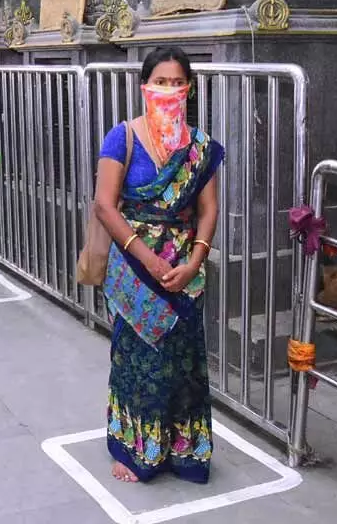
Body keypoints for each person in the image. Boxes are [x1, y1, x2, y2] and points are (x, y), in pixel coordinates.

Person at [93, 47, 224, 484]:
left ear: (189, 88)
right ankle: (133, 449)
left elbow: (208, 210)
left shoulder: (198, 147)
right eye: (161, 82)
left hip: (185, 271)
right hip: (135, 270)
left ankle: (183, 450)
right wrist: (147, 258)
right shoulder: (123, 137)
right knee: (137, 360)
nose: (169, 90)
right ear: (144, 86)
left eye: (177, 82)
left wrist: (194, 261)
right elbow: (105, 206)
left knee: (184, 362)